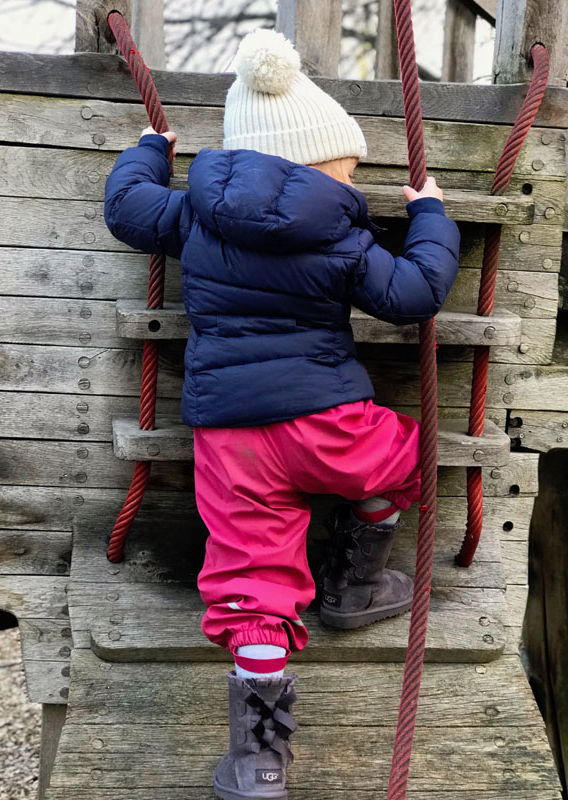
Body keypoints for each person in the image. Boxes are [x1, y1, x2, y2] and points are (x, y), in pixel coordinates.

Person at [104, 27, 460, 800]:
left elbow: (130, 210)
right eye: (348, 164)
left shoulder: (196, 213)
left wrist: (148, 150)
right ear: (318, 164)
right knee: (403, 458)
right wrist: (431, 217)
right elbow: (413, 297)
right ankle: (352, 585)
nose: (352, 176)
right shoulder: (339, 231)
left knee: (254, 587)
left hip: (232, 438)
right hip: (326, 422)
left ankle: (260, 764)